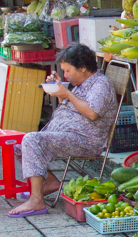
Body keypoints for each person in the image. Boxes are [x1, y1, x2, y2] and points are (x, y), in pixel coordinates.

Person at [7, 44, 117, 217]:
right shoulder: (82, 83)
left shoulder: (100, 84)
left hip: (85, 140)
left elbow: (92, 113)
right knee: (17, 144)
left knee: (32, 140)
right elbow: (72, 109)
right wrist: (59, 92)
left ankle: (36, 200)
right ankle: (49, 182)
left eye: (67, 71)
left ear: (82, 67)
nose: (65, 75)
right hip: (68, 135)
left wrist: (67, 94)